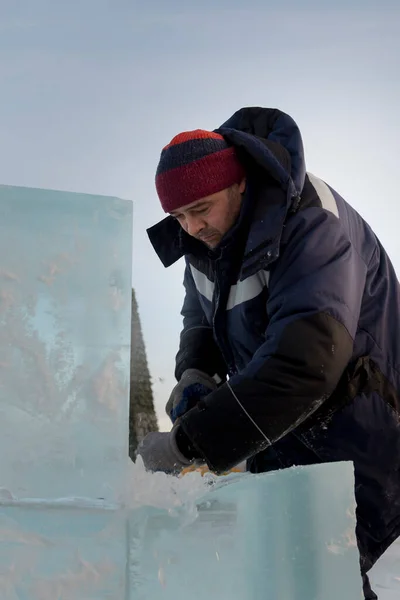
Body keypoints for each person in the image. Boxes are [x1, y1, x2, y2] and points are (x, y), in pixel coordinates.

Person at [138, 107, 400, 599]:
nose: (191, 227)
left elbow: (307, 361)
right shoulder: (206, 241)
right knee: (285, 574)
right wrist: (195, 371)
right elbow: (200, 318)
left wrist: (188, 444)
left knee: (321, 572)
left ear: (238, 184)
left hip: (362, 421)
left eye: (201, 209)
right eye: (178, 217)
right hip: (280, 429)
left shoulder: (312, 221)